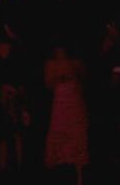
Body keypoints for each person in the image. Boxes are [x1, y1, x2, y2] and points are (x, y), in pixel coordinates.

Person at [43, 40, 89, 184]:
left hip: (74, 104)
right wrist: (59, 79)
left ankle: (79, 174)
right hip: (61, 105)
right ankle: (58, 174)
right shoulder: (51, 65)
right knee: (60, 136)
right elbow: (48, 84)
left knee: (76, 137)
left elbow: (84, 80)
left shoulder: (76, 63)